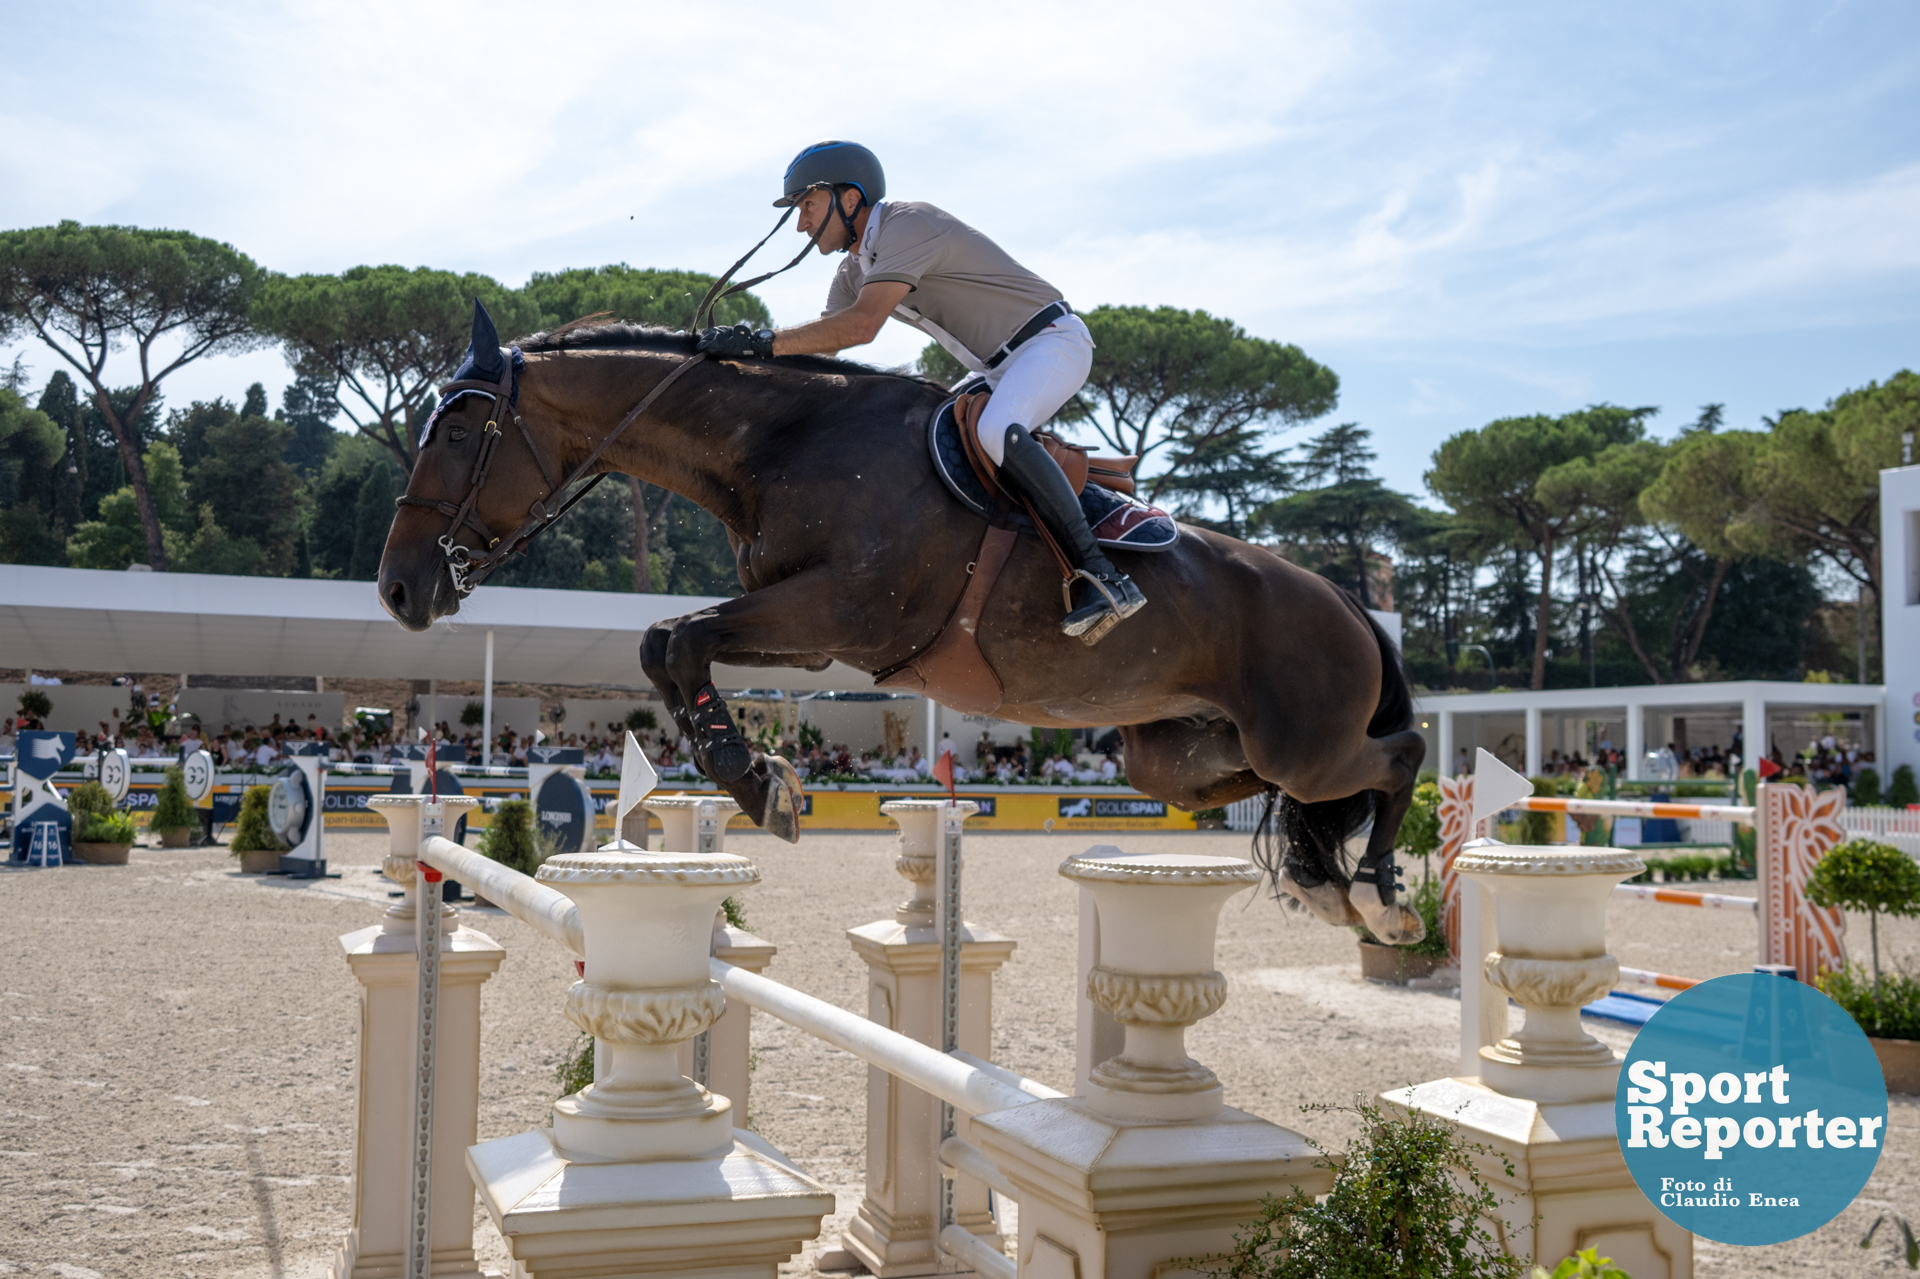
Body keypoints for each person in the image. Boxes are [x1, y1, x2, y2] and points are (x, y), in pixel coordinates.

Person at [694, 140, 1146, 642]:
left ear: (849, 198)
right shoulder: (852, 270)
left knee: (998, 429)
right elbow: (821, 350)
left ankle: (1102, 575)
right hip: (997, 368)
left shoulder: (908, 224)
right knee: (923, 440)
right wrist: (740, 361)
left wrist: (764, 342)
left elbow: (862, 327)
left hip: (1051, 343)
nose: (801, 223)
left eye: (807, 205)